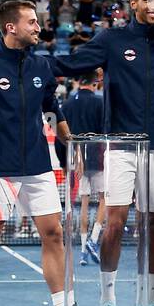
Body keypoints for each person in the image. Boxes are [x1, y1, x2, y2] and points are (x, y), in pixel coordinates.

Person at [51, 0, 154, 306]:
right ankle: (107, 304)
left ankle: (150, 305)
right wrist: (25, 64)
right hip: (121, 144)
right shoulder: (111, 40)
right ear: (133, 4)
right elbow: (69, 64)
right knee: (115, 221)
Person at [0, 0, 94, 306]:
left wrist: (68, 139)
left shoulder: (42, 67)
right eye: (32, 22)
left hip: (37, 165)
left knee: (54, 234)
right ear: (11, 27)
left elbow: (51, 105)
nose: (38, 27)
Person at [62, 71, 108, 266]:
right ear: (95, 83)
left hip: (78, 158)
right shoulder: (100, 103)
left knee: (84, 202)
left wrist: (71, 160)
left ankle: (82, 251)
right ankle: (93, 239)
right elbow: (105, 131)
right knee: (105, 198)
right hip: (97, 156)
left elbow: (64, 133)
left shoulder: (68, 103)